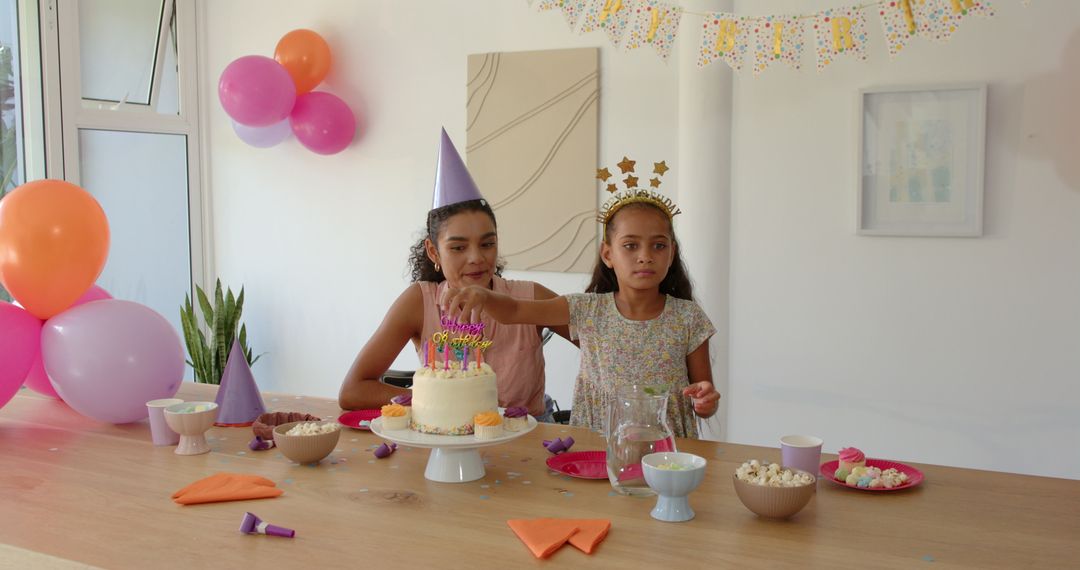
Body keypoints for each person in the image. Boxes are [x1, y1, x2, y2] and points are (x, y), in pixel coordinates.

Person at [440, 185, 720, 438]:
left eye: (658, 246)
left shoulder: (688, 318)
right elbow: (513, 311)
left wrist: (706, 401)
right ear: (608, 254)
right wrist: (484, 295)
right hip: (599, 447)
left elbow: (703, 399)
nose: (645, 255)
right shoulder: (586, 309)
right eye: (630, 245)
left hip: (667, 454)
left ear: (671, 254)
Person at [338, 129, 567, 422]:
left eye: (487, 243)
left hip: (525, 445)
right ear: (434, 252)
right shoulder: (420, 303)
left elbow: (601, 334)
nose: (476, 257)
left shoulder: (528, 297)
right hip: (444, 441)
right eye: (458, 247)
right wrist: (433, 396)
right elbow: (353, 391)